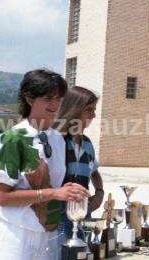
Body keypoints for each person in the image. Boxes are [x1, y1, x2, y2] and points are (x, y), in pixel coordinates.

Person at [0, 69, 90, 260]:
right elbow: (3, 197)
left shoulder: (57, 139)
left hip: (48, 235)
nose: (54, 105)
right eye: (47, 98)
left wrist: (66, 190)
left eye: (58, 99)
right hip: (17, 237)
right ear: (29, 98)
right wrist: (54, 193)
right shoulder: (13, 139)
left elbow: (52, 186)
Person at [54, 86, 104, 245]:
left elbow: (94, 171)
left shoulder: (87, 144)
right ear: (74, 110)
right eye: (89, 109)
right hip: (59, 217)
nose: (94, 115)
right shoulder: (58, 140)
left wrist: (100, 192)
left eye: (94, 109)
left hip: (83, 214)